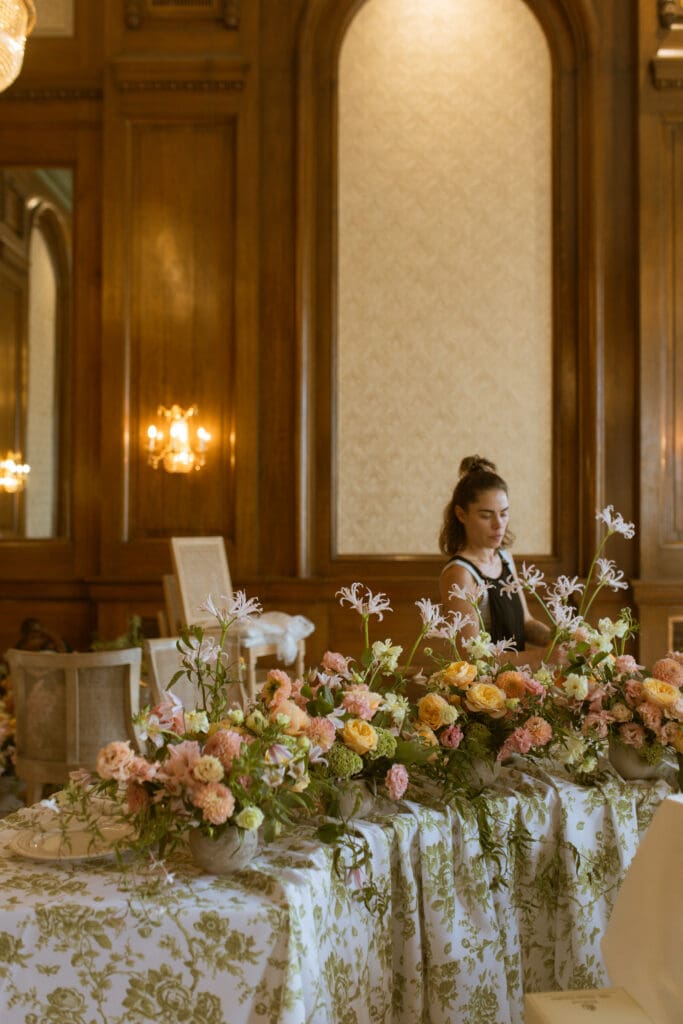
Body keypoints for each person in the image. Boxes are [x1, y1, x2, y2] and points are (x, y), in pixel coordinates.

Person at [438, 455, 552, 658]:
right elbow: (473, 659)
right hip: (483, 688)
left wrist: (561, 640)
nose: (498, 524)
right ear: (461, 514)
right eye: (486, 515)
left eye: (504, 513)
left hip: (517, 683)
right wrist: (544, 657)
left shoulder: (505, 557)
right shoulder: (459, 574)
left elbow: (525, 622)